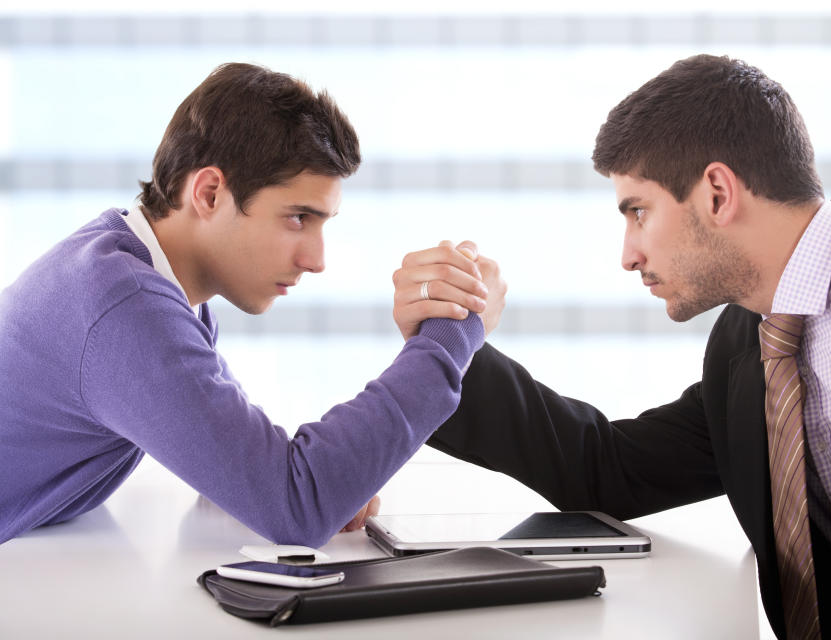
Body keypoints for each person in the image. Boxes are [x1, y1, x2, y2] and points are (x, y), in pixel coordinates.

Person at [393, 54, 831, 638]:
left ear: (716, 193)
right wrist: (448, 348)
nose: (628, 254)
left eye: (638, 211)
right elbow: (605, 471)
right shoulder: (745, 354)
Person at [0, 62, 504, 548]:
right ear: (210, 193)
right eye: (297, 218)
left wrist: (331, 480)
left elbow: (244, 464)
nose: (316, 259)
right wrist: (455, 331)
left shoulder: (139, 274)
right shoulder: (125, 308)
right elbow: (295, 503)